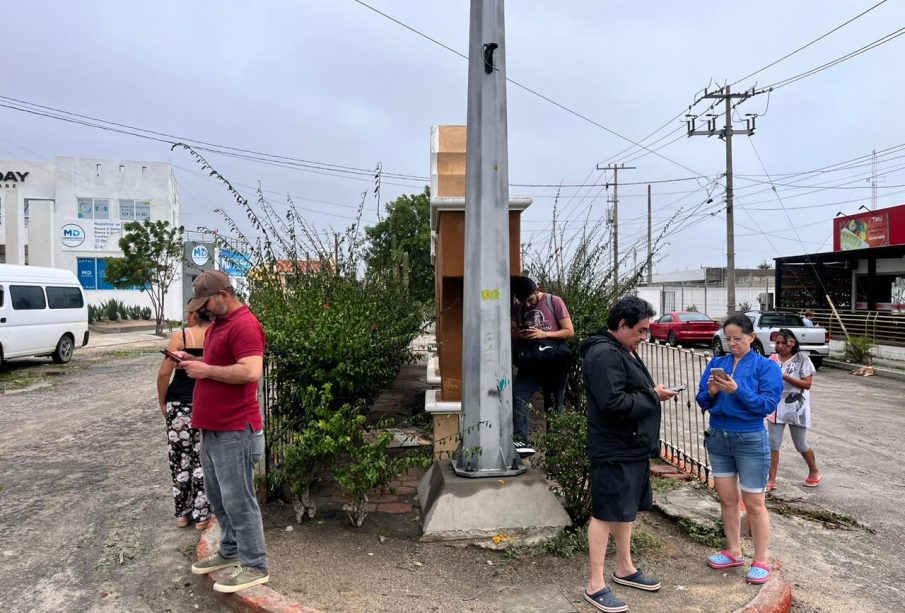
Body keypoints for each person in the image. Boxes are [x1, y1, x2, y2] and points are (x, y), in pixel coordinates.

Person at [581, 296, 678, 613]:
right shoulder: (603, 354)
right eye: (641, 330)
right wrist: (654, 396)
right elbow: (613, 404)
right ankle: (595, 584)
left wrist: (652, 393)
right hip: (614, 447)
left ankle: (625, 567)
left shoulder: (622, 349)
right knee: (606, 512)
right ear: (622, 325)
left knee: (625, 509)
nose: (644, 336)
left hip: (631, 446)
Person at [180, 270, 270, 593]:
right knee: (219, 497)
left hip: (235, 428)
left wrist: (205, 370)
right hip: (213, 428)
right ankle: (230, 549)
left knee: (239, 499)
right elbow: (219, 362)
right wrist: (190, 361)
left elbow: (250, 371)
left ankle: (256, 564)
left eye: (207, 302)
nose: (203, 309)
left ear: (224, 295)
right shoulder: (219, 325)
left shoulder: (245, 325)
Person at [696, 314, 782, 585]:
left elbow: (766, 405)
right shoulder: (717, 363)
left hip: (749, 439)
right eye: (728, 339)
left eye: (738, 339)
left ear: (751, 337)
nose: (732, 344)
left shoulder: (765, 367)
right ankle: (733, 550)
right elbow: (701, 401)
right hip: (719, 437)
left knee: (755, 503)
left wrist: (737, 391)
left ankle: (760, 560)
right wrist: (711, 392)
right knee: (727, 499)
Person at [157, 302, 212, 530]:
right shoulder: (215, 335)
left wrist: (162, 400)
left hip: (178, 404)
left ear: (192, 315)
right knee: (202, 460)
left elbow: (163, 373)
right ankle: (202, 516)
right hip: (206, 402)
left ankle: (183, 513)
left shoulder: (181, 337)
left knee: (180, 458)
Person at [510, 276, 574, 456]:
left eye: (530, 300)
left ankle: (554, 455)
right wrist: (520, 334)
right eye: (524, 302)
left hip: (554, 364)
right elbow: (513, 331)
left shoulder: (554, 301)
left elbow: (569, 331)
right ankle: (521, 440)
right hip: (531, 363)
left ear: (537, 290)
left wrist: (543, 333)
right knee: (519, 396)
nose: (528, 305)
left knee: (553, 408)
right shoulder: (519, 307)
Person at [766, 329, 821, 491]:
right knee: (773, 444)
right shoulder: (772, 360)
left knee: (801, 444)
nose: (780, 346)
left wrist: (785, 377)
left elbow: (807, 384)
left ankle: (814, 471)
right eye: (777, 343)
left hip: (798, 407)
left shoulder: (802, 359)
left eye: (784, 343)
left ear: (792, 343)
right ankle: (771, 480)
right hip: (776, 407)